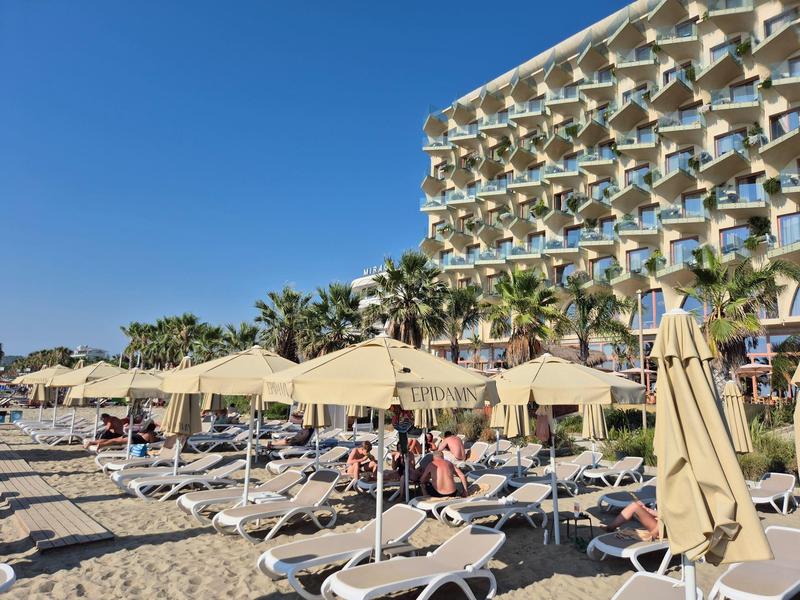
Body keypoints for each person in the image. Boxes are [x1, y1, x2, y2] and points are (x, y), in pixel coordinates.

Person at [91, 420, 160, 449]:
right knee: (115, 441)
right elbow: (152, 442)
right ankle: (101, 445)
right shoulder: (150, 433)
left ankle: (92, 442)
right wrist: (158, 439)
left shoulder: (143, 431)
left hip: (131, 435)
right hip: (134, 439)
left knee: (112, 440)